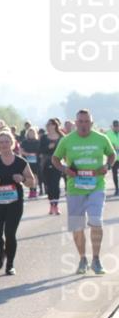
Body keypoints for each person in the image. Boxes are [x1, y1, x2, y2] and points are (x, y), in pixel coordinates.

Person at [52, 109, 117, 275]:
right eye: (80, 121)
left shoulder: (101, 138)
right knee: (77, 226)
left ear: (92, 123)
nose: (83, 125)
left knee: (96, 221)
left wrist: (107, 166)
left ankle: (96, 259)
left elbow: (112, 154)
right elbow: (55, 159)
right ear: (76, 123)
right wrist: (65, 169)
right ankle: (82, 259)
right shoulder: (67, 140)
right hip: (75, 188)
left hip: (96, 186)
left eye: (87, 121)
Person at [0, 131, 35, 275]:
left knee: (10, 234)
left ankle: (10, 265)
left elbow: (32, 182)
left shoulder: (20, 162)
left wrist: (23, 179)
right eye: (1, 142)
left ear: (12, 143)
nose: (4, 144)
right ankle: (1, 252)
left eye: (7, 141)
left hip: (15, 203)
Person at [41, 118, 64, 215]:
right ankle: (51, 204)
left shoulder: (62, 137)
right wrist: (48, 147)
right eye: (47, 125)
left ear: (55, 125)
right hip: (46, 163)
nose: (48, 126)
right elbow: (40, 150)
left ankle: (56, 205)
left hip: (57, 163)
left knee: (55, 184)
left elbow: (65, 150)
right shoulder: (44, 137)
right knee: (48, 185)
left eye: (49, 124)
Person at [19, 127, 42, 200]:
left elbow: (41, 151)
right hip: (27, 161)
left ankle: (34, 190)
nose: (31, 134)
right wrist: (27, 154)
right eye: (30, 133)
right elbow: (20, 151)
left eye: (32, 133)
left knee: (35, 176)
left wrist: (36, 154)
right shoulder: (24, 142)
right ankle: (31, 190)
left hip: (36, 162)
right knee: (28, 176)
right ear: (27, 134)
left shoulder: (38, 142)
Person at [106, 120, 119, 196]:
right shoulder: (108, 134)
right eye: (115, 126)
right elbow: (107, 145)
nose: (117, 128)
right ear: (113, 127)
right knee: (115, 174)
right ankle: (117, 189)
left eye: (118, 126)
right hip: (114, 158)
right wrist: (112, 146)